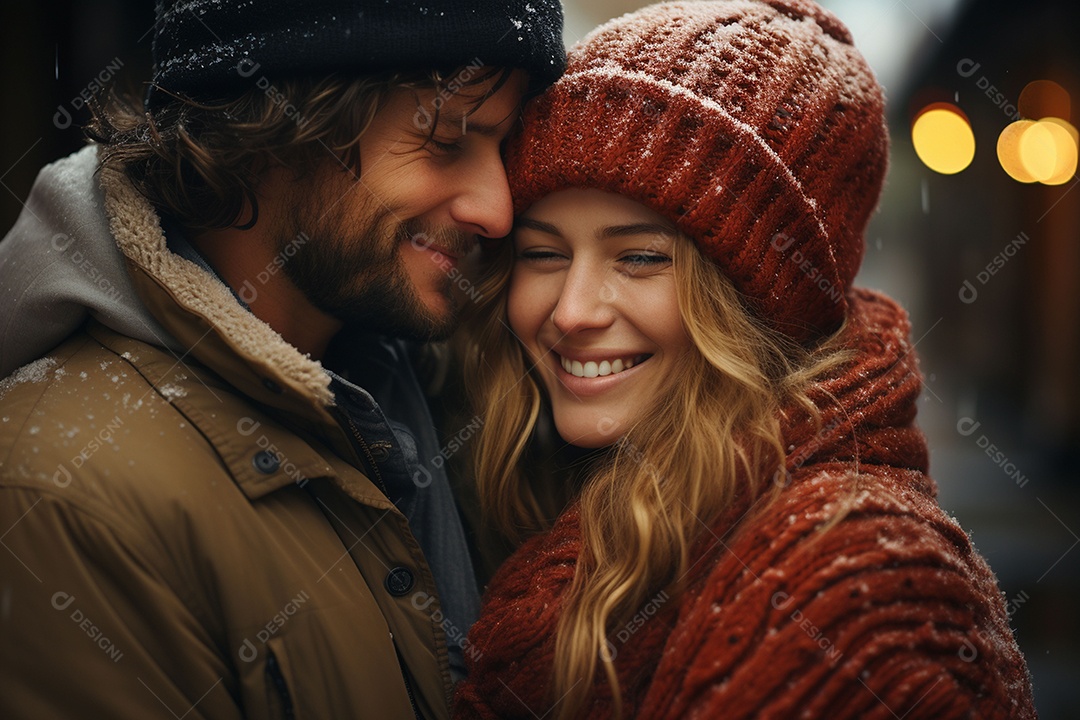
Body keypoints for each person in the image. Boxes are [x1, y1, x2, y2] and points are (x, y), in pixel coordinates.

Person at [452, 2, 1037, 719]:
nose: (572, 311)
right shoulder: (560, 492)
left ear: (760, 303)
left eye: (639, 258)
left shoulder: (854, 602)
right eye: (543, 253)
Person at [0, 1, 564, 717]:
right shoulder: (62, 499)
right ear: (279, 129)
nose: (498, 209)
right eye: (448, 139)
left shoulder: (437, 389)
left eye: (506, 147)